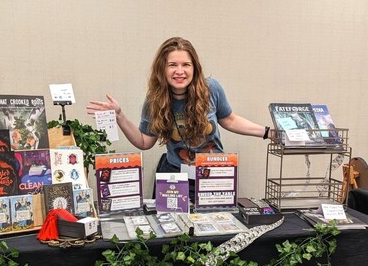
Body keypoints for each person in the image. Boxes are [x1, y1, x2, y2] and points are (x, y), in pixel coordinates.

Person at [87, 36, 274, 197]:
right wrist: (120, 116)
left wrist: (268, 133)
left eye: (186, 64)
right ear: (163, 69)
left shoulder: (211, 89)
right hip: (175, 176)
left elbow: (230, 119)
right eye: (172, 65)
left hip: (214, 174)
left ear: (195, 68)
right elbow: (144, 142)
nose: (179, 71)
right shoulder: (155, 100)